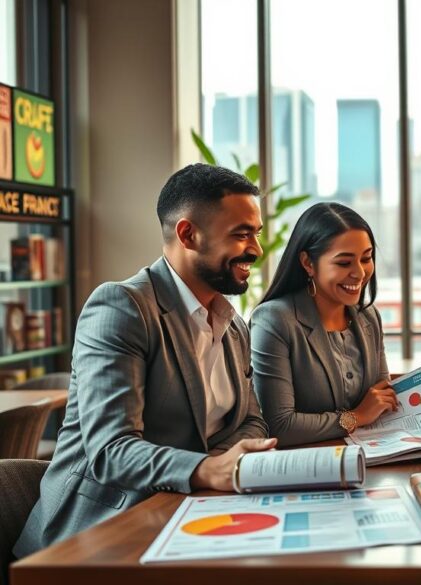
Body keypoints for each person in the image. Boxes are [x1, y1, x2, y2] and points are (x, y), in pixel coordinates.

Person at [15, 164, 273, 557]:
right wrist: (208, 470)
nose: (255, 249)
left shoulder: (231, 323)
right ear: (188, 234)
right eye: (241, 234)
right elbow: (111, 450)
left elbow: (251, 420)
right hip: (94, 536)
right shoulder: (122, 307)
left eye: (255, 233)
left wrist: (216, 468)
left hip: (186, 514)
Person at [250, 202, 394, 447]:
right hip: (307, 467)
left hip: (370, 459)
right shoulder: (274, 320)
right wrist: (356, 417)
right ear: (308, 263)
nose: (360, 273)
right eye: (344, 263)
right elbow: (280, 426)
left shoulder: (369, 317)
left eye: (366, 258)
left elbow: (383, 400)